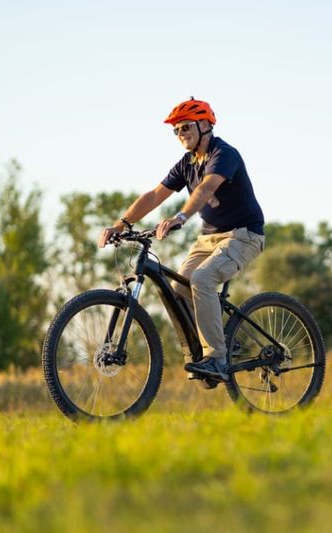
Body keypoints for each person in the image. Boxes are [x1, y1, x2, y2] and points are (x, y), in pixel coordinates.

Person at [98, 98, 265, 381]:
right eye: (176, 131)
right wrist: (122, 223)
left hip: (243, 235)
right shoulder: (187, 163)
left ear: (204, 125)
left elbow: (205, 189)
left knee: (202, 279)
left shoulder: (224, 154)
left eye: (185, 127)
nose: (181, 134)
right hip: (209, 239)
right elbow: (154, 195)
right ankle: (208, 347)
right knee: (178, 286)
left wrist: (180, 217)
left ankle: (217, 357)